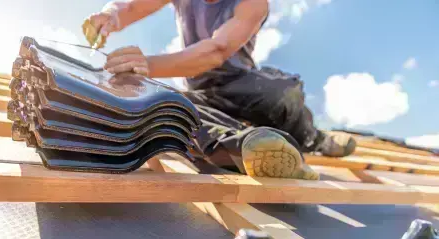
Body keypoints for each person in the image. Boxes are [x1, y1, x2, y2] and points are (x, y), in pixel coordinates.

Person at [82, 0, 356, 180]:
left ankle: (315, 139)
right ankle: (249, 146)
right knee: (171, 105)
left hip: (242, 86)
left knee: (281, 92)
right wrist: (110, 16)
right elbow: (130, 7)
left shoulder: (253, 3)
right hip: (202, 92)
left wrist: (148, 64)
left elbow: (216, 50)